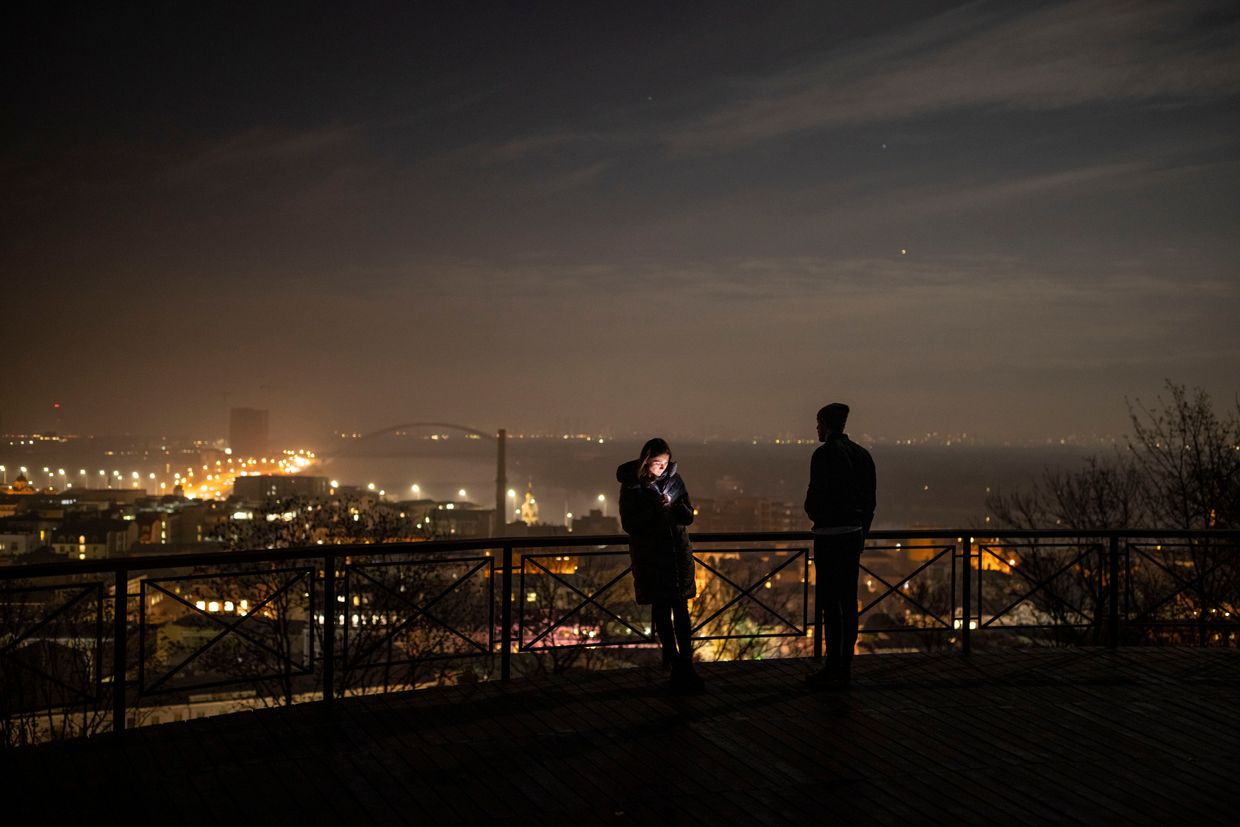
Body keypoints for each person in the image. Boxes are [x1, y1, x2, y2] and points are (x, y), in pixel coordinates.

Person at [617, 437, 704, 693]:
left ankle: (686, 663)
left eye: (665, 463)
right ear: (646, 462)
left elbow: (688, 515)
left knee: (681, 610)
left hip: (677, 554)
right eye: (657, 463)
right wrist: (655, 509)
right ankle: (675, 662)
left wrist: (677, 508)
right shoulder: (633, 486)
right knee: (662, 610)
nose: (662, 468)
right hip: (653, 556)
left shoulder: (675, 481)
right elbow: (630, 524)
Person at [804, 403, 876, 690]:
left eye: (819, 424)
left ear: (828, 425)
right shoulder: (863, 456)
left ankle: (833, 665)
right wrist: (861, 535)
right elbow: (870, 502)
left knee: (830, 604)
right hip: (853, 537)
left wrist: (818, 513)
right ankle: (844, 664)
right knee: (848, 601)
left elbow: (813, 501)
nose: (817, 429)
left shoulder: (822, 456)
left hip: (829, 538)